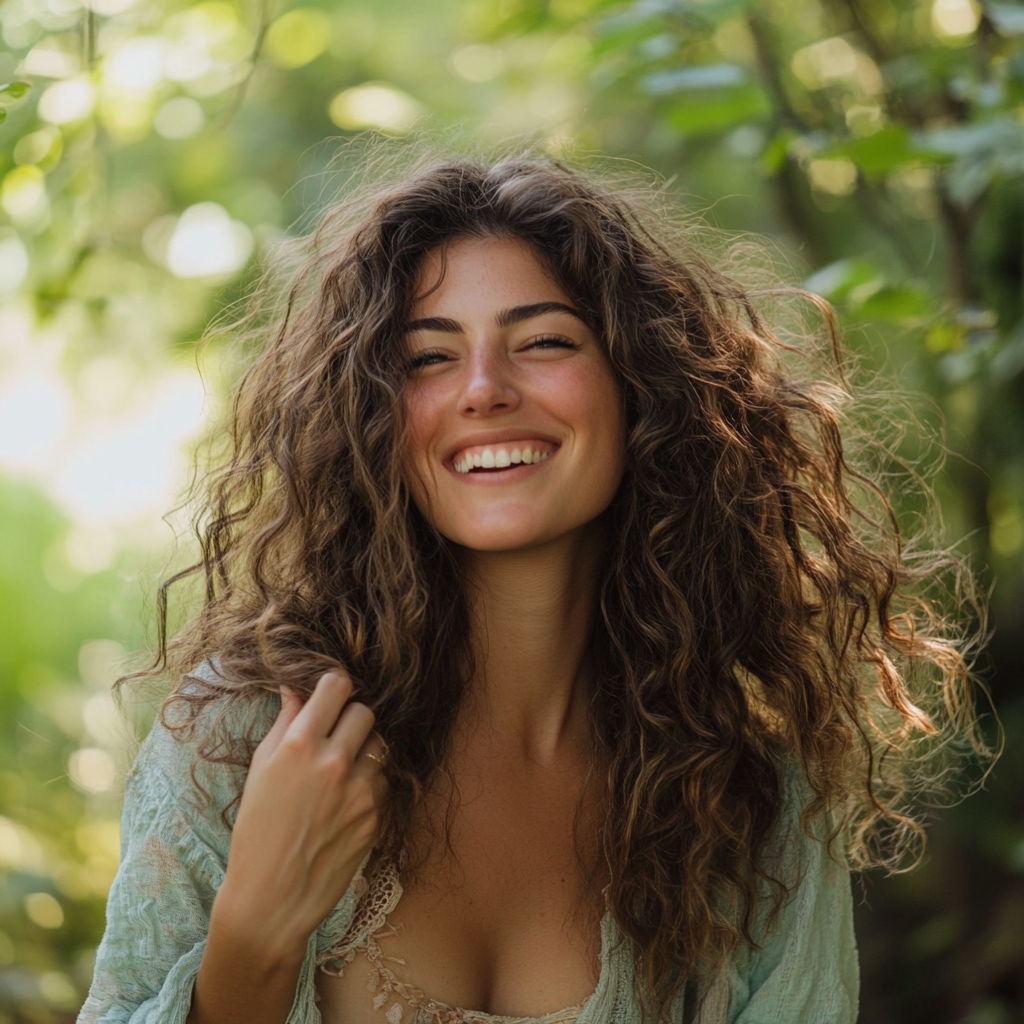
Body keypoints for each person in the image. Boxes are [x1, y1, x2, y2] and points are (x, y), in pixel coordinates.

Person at [78, 155, 984, 1024]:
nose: (483, 389)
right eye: (428, 357)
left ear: (645, 387)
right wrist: (253, 937)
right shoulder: (247, 741)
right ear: (369, 416)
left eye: (544, 341)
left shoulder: (750, 797)